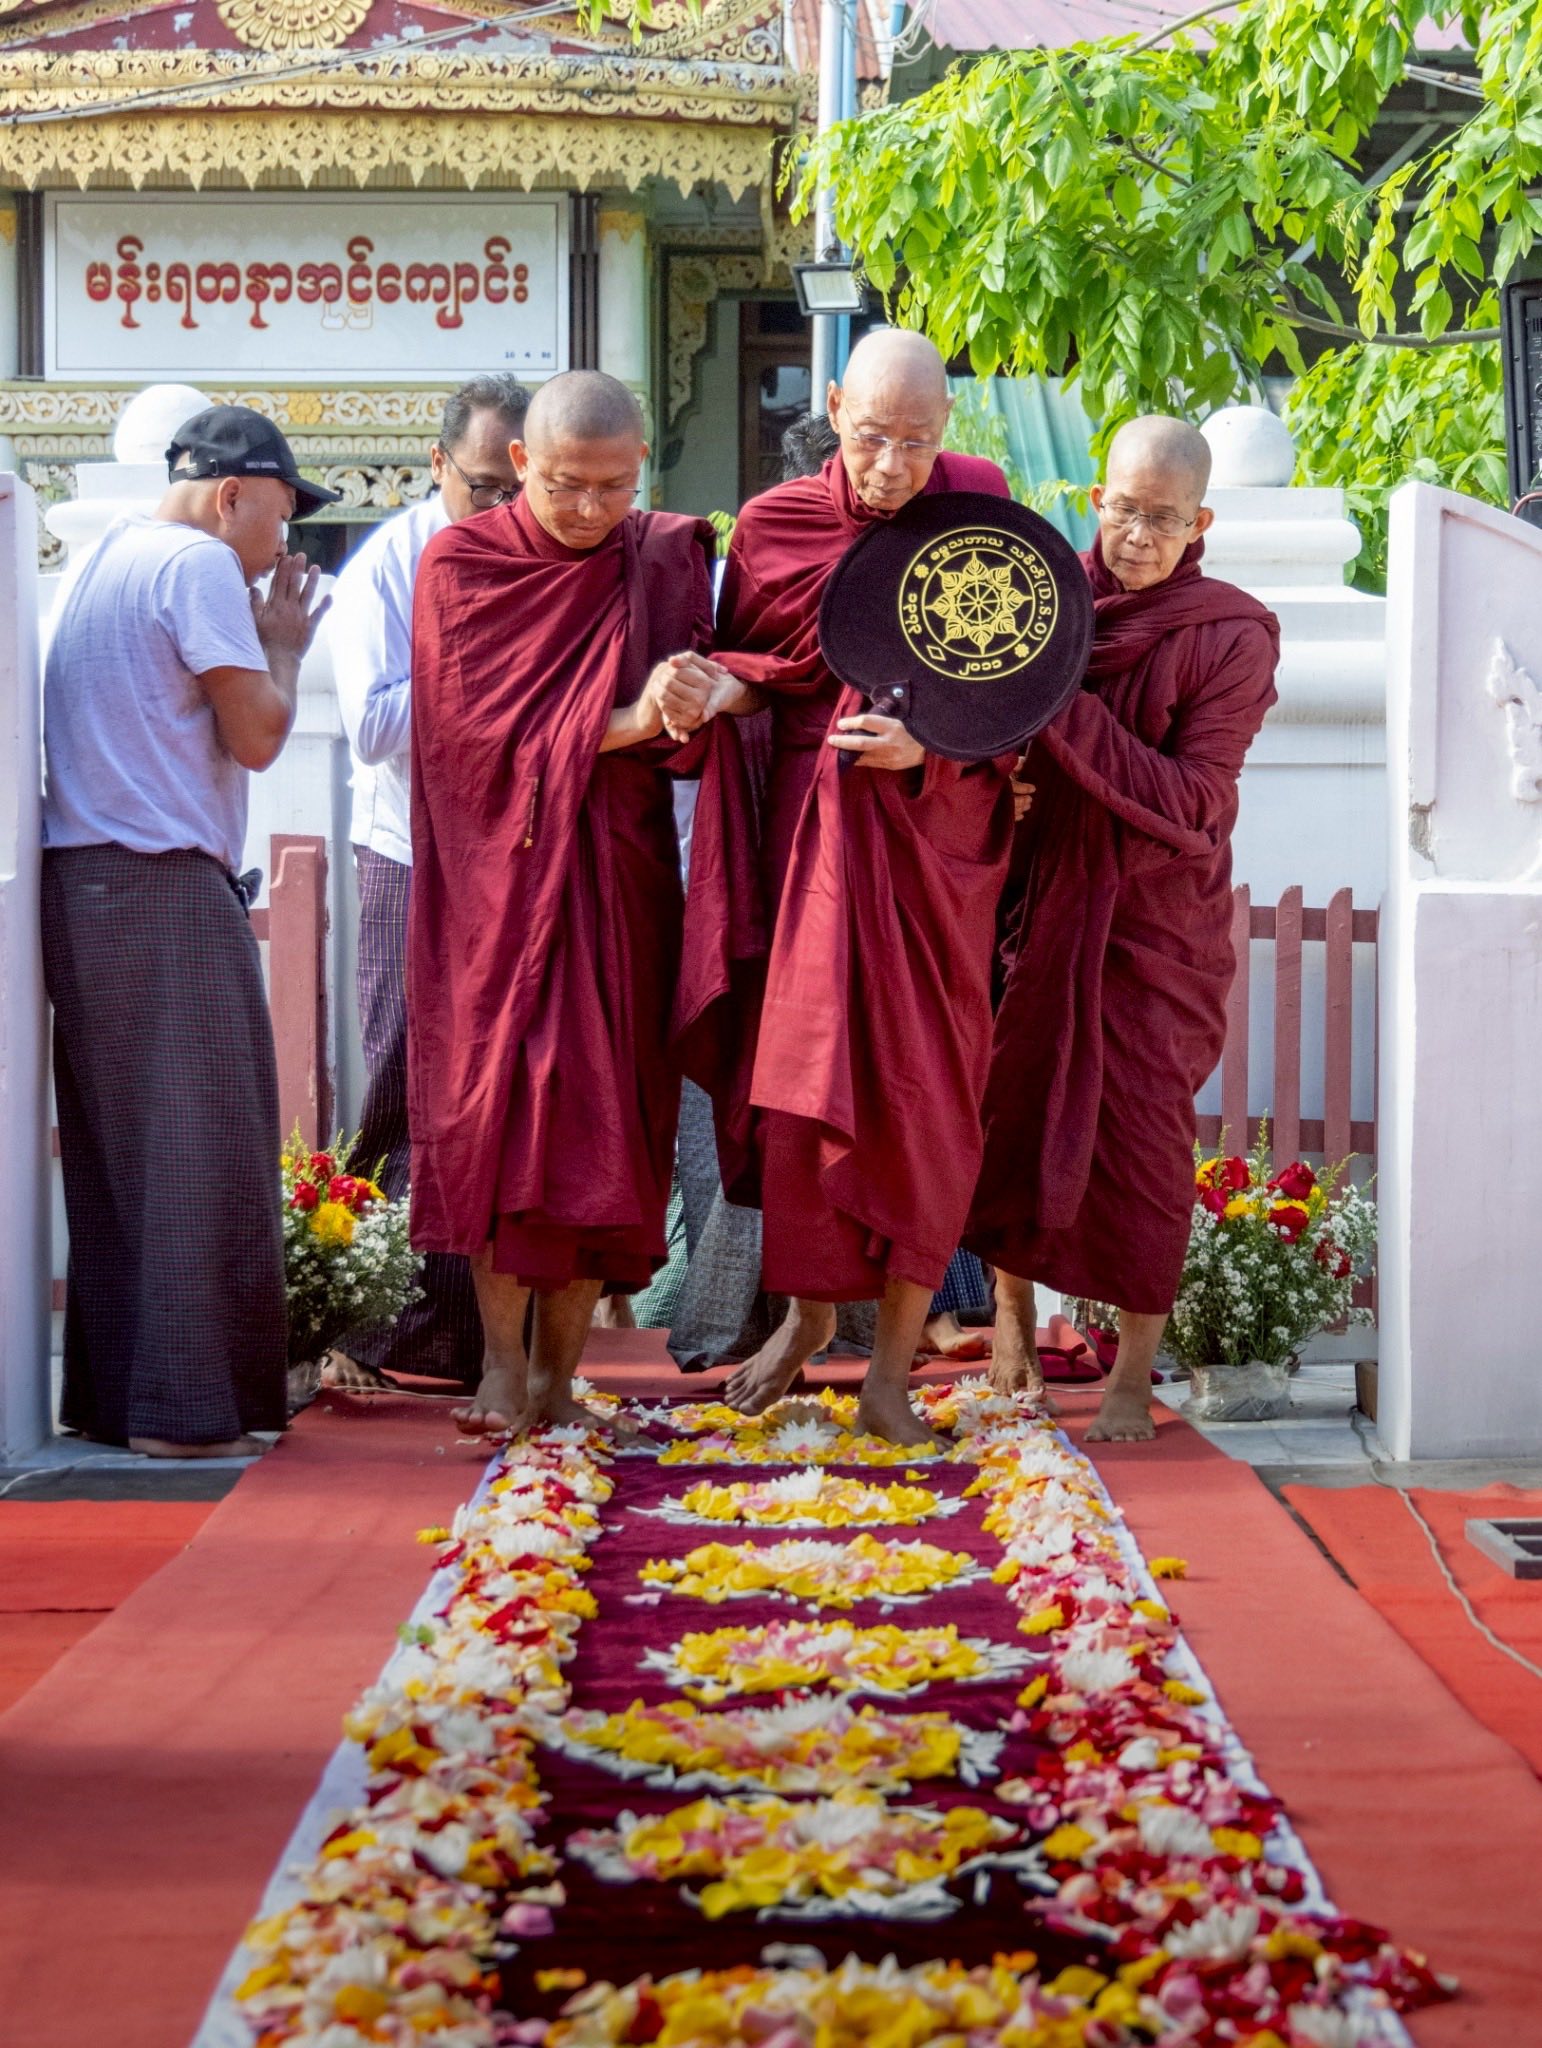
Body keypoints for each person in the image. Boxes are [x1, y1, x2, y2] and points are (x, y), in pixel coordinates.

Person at [408, 370, 757, 1437]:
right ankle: (500, 1368)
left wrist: (694, 700)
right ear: (521, 462)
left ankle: (560, 1379)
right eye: (565, 484)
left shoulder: (662, 556)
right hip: (500, 893)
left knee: (607, 1126)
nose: (590, 508)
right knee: (507, 1120)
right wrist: (631, 717)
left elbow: (692, 733)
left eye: (612, 486)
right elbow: (465, 742)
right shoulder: (461, 564)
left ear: (641, 465)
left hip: (622, 879)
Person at [707, 329, 1015, 1445]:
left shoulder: (979, 508)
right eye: (873, 436)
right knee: (809, 1081)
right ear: (833, 406)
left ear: (948, 433)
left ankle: (889, 1372)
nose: (892, 466)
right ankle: (807, 1316)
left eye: (917, 443)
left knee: (927, 1099)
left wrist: (931, 747)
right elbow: (760, 666)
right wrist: (723, 687)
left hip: (934, 840)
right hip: (812, 842)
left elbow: (1025, 682)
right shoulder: (773, 524)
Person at [968, 416, 1281, 1443]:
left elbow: (1196, 799)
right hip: (1035, 896)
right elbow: (974, 730)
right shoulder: (1042, 602)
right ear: (1094, 500)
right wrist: (1001, 781)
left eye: (1165, 518)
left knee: (1147, 1142)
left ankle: (1131, 1378)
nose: (1139, 536)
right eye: (1125, 510)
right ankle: (1013, 1327)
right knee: (1010, 1111)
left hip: (1155, 919)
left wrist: (1061, 708)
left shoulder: (1231, 634)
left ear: (1201, 524)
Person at [41, 404, 336, 1457]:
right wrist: (283, 648)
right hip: (162, 882)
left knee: (126, 1157)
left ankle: (122, 1402)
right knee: (198, 1150)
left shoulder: (104, 561)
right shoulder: (198, 563)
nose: (281, 544)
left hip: (86, 882)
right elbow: (257, 735)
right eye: (281, 515)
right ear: (231, 494)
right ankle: (184, 1415)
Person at [323, 374, 530, 1393]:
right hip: (409, 857)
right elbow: (369, 724)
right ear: (437, 465)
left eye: (518, 488)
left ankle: (475, 1342)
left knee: (500, 1093)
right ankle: (369, 1331)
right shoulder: (387, 567)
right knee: (403, 1083)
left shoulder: (547, 554)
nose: (502, 509)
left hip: (517, 862)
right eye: (483, 486)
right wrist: (495, 686)